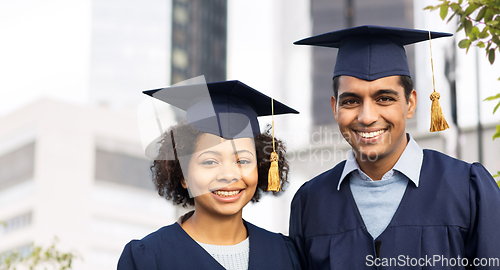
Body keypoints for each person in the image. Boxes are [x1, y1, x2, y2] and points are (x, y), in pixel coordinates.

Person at [289, 25, 500, 269]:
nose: (367, 116)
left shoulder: (467, 189)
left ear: (410, 104)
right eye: (351, 101)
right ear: (335, 108)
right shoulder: (311, 202)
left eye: (384, 99)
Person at [118, 80, 301, 270]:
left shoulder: (284, 254)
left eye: (243, 161)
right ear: (183, 174)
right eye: (210, 162)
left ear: (261, 166)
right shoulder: (149, 258)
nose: (229, 175)